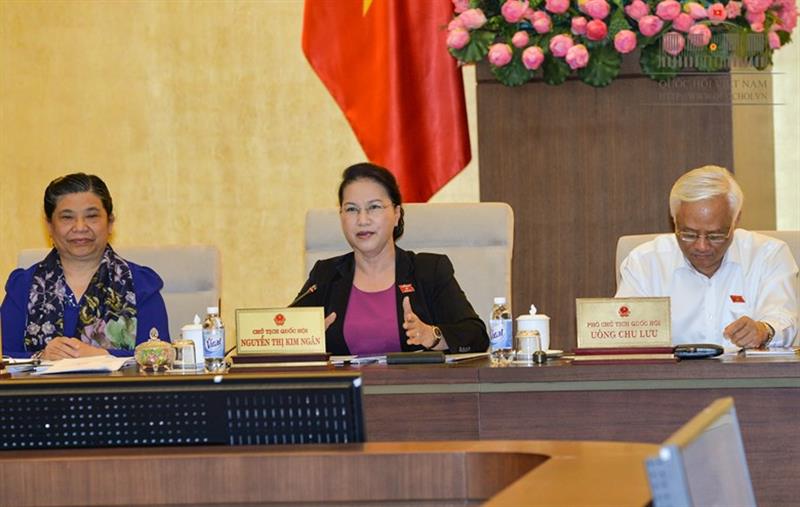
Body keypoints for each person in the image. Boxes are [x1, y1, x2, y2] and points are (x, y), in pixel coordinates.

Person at [292, 163, 489, 356]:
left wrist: (432, 335)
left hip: (417, 379)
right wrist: (304, 341)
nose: (362, 220)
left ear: (396, 214)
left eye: (374, 207)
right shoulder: (326, 275)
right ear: (341, 216)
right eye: (351, 209)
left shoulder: (429, 271)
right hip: (346, 380)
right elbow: (282, 336)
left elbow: (476, 336)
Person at [616, 165, 798, 348]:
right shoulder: (645, 262)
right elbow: (622, 333)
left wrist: (763, 331)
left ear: (736, 220)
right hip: (671, 367)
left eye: (715, 235)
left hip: (745, 367)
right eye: (688, 234)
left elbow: (784, 319)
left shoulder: (769, 255)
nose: (701, 246)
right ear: (674, 221)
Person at [1, 173, 170, 359]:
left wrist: (103, 356)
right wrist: (40, 358)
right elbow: (6, 360)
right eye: (67, 217)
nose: (80, 227)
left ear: (110, 222)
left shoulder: (141, 285)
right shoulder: (23, 287)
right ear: (49, 225)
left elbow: (160, 358)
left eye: (91, 216)